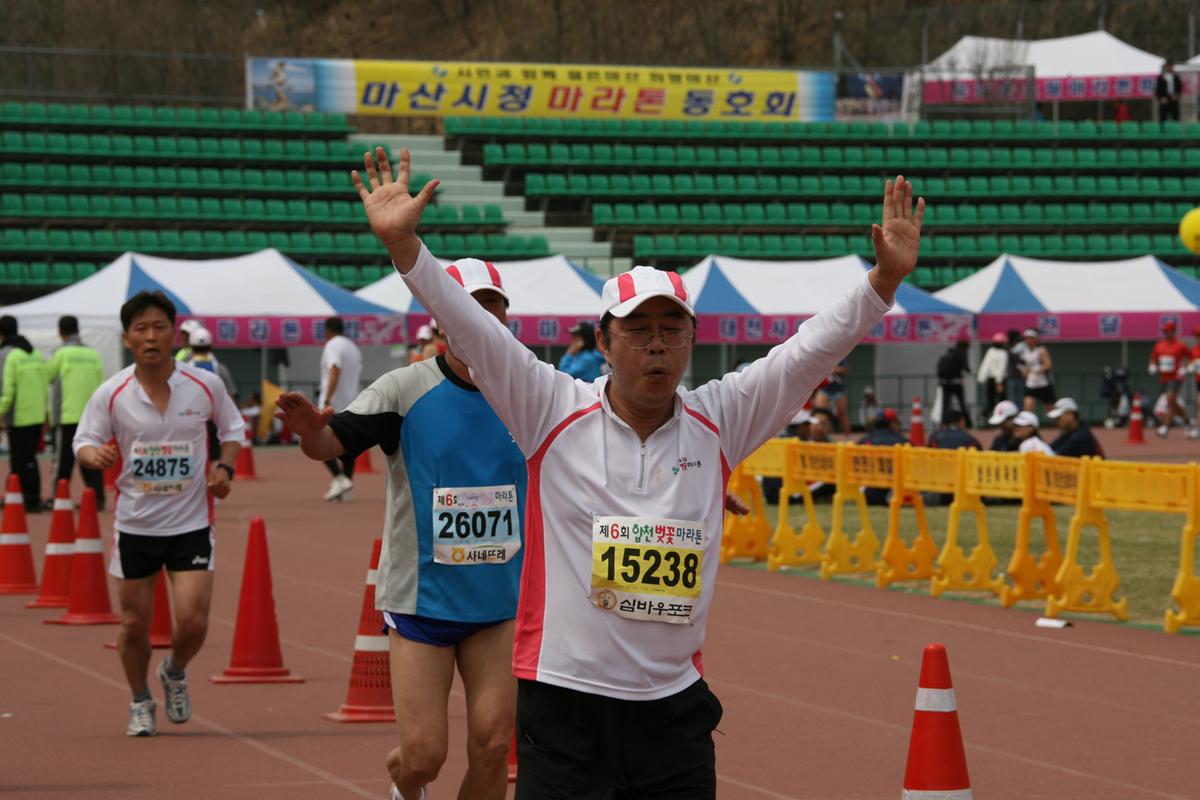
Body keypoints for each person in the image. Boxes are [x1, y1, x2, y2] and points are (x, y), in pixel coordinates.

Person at [352, 146, 924, 798]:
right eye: (638, 329)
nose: (656, 344)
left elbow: (807, 353)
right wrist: (404, 247)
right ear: (604, 341)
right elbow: (473, 329)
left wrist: (882, 283)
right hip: (564, 706)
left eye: (672, 330)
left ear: (691, 339)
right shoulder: (549, 408)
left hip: (673, 713)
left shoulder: (722, 418)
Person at [275, 259, 527, 800]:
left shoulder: (532, 391)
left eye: (491, 306)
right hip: (422, 601)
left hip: (501, 602)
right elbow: (330, 443)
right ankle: (403, 783)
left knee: (492, 745)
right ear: (440, 318)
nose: (479, 318)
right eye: (465, 307)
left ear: (507, 317)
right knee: (423, 756)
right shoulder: (404, 389)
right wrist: (309, 433)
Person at [73, 290, 243, 737]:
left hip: (191, 523)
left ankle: (175, 670)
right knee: (133, 624)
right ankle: (139, 699)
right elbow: (83, 440)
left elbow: (233, 429)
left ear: (174, 334)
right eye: (141, 329)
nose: (150, 337)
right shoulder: (113, 393)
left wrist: (225, 467)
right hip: (136, 525)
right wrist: (94, 457)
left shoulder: (205, 385)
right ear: (127, 338)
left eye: (159, 327)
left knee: (193, 621)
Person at [45, 315, 106, 510]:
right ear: (78, 330)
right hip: (91, 417)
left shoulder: (60, 353)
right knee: (91, 457)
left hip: (67, 415)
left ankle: (59, 498)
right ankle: (97, 498)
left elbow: (48, 377)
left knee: (63, 460)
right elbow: (101, 383)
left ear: (60, 332)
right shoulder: (92, 353)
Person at [0, 317, 47, 512]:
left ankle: (26, 499)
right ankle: (25, 496)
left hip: (19, 416)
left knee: (20, 459)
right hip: (37, 414)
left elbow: (7, 389)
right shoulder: (35, 353)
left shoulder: (7, 355)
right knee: (29, 459)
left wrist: (1, 411)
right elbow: (44, 383)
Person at [318, 316, 363, 502]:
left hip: (334, 404)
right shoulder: (353, 347)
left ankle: (339, 478)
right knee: (347, 446)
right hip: (352, 402)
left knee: (318, 440)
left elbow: (335, 368)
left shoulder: (333, 345)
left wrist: (328, 398)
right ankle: (346, 484)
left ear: (328, 330)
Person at [1148, 320, 1191, 438]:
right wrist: (1152, 365)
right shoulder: (1159, 345)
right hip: (1164, 378)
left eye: (1169, 331)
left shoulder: (1180, 345)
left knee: (1171, 399)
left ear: (1174, 332)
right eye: (1165, 331)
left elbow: (1190, 357)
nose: (1166, 333)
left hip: (1176, 377)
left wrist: (1185, 368)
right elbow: (1153, 358)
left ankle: (1165, 426)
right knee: (1173, 403)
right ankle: (1188, 422)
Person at [856, 408, 908, 505]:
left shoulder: (864, 441)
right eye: (897, 423)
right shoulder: (904, 442)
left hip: (867, 492)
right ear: (892, 424)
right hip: (895, 492)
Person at [181, 328, 236, 397]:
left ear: (191, 347)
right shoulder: (220, 369)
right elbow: (232, 396)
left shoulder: (183, 369)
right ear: (210, 347)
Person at [1015, 328, 1054, 414]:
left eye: (1031, 338)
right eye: (1027, 338)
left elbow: (1048, 366)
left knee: (1051, 412)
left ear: (1036, 339)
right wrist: (1024, 371)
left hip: (1044, 385)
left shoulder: (1041, 350)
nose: (1029, 340)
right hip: (1031, 385)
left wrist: (1033, 369)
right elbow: (1024, 366)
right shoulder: (1024, 351)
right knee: (1027, 411)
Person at [935, 338, 971, 426]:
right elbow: (966, 368)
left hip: (945, 383)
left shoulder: (948, 354)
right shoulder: (962, 354)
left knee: (945, 404)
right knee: (962, 403)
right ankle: (968, 423)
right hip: (956, 383)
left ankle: (944, 423)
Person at [976, 332, 1009, 425]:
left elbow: (985, 366)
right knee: (1002, 403)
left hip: (990, 379)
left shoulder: (990, 351)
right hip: (999, 381)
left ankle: (983, 416)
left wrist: (981, 378)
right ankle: (1001, 422)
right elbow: (1001, 369)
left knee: (990, 402)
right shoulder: (1003, 353)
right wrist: (999, 382)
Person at [814, 358, 851, 435]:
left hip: (839, 390)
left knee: (842, 413)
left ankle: (847, 437)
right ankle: (821, 435)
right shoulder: (822, 356)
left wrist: (831, 369)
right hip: (824, 388)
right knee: (819, 412)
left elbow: (845, 369)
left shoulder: (841, 356)